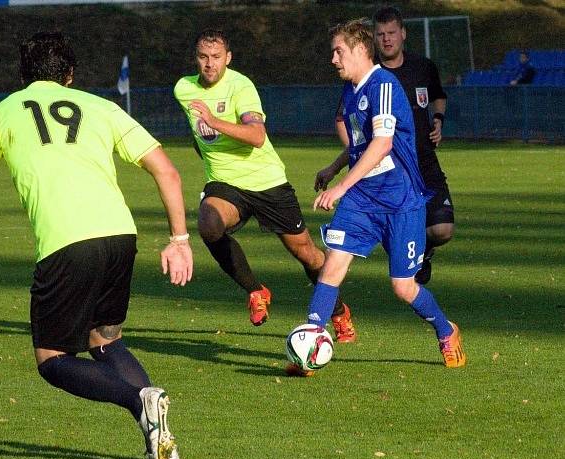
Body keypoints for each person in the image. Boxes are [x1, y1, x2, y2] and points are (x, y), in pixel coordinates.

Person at [0, 32, 191, 459]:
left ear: (23, 77)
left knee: (53, 360)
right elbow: (167, 171)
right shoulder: (103, 107)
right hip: (119, 237)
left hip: (66, 244)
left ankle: (141, 400)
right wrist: (179, 240)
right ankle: (158, 435)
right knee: (106, 339)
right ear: (70, 76)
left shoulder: (0, 114)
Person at [297, 19, 465, 376]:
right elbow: (360, 144)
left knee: (403, 287)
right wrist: (334, 167)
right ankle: (310, 342)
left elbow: (383, 143)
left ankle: (446, 330)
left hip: (400, 201)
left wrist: (340, 186)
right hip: (362, 200)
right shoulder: (352, 90)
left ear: (360, 51)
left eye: (338, 51)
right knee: (333, 263)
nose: (333, 59)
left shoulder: (383, 85)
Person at [173, 28, 354, 341]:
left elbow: (257, 136)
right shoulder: (184, 88)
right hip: (225, 183)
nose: (209, 64)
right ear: (195, 58)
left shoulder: (241, 86)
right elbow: (195, 133)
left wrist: (214, 122)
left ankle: (338, 311)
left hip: (268, 182)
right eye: (203, 57)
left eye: (216, 57)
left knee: (307, 254)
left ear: (228, 58)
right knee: (209, 224)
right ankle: (256, 291)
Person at [329, 6, 453, 285]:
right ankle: (408, 257)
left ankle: (421, 251)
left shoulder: (422, 67)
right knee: (397, 265)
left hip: (424, 160)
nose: (386, 39)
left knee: (443, 230)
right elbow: (346, 121)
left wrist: (438, 120)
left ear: (403, 34)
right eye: (381, 34)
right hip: (390, 172)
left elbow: (438, 96)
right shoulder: (366, 76)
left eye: (392, 33)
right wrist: (355, 156)